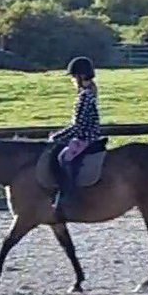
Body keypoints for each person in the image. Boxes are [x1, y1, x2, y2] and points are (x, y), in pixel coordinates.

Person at [49, 56, 104, 217]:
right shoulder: (89, 91)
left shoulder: (85, 96)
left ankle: (69, 196)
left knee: (64, 158)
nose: (72, 80)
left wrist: (57, 136)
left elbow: (78, 125)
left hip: (85, 137)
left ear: (80, 76)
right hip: (87, 134)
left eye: (74, 77)